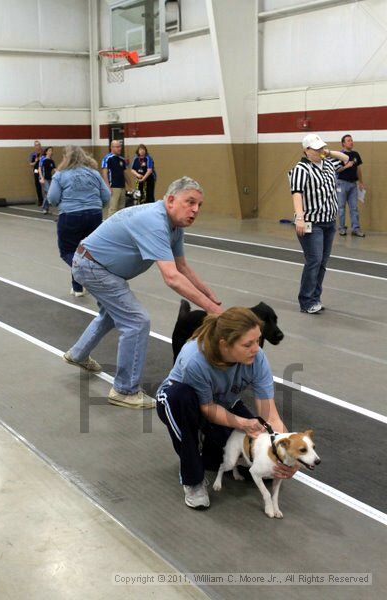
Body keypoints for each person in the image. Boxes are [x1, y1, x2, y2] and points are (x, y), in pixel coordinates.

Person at [63, 176, 222, 409]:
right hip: (92, 266)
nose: (195, 210)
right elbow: (171, 277)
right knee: (137, 321)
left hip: (99, 267)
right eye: (190, 202)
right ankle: (124, 390)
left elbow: (182, 267)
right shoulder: (154, 221)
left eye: (199, 205)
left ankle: (77, 354)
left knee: (111, 315)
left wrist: (210, 297)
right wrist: (213, 310)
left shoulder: (174, 226)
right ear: (170, 200)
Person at [156, 307, 297, 510]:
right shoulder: (195, 358)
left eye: (257, 341)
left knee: (246, 461)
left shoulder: (257, 358)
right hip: (183, 404)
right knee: (181, 400)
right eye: (248, 344)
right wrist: (243, 423)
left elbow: (269, 414)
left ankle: (209, 449)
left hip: (223, 405)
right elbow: (207, 408)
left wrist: (287, 454)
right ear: (225, 345)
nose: (256, 349)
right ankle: (193, 480)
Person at [289, 133, 349, 314]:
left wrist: (328, 152)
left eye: (321, 147)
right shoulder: (301, 168)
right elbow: (297, 193)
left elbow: (346, 158)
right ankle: (306, 301)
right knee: (313, 260)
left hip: (329, 222)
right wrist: (299, 217)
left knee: (322, 262)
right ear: (306, 151)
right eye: (316, 149)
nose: (320, 151)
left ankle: (315, 297)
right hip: (311, 223)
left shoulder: (328, 164)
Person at [47, 145, 110, 297]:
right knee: (86, 251)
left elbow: (52, 198)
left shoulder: (60, 175)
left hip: (71, 215)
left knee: (68, 251)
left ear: (65, 158)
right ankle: (77, 287)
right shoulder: (93, 173)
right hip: (94, 214)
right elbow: (106, 196)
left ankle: (88, 273)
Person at [337, 134, 366, 237]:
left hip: (353, 185)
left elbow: (358, 169)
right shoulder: (339, 155)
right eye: (348, 140)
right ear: (343, 143)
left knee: (354, 208)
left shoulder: (355, 154)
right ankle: (341, 228)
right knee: (341, 207)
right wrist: (346, 166)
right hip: (341, 184)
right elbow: (336, 170)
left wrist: (361, 182)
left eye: (351, 140)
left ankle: (356, 229)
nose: (351, 142)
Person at [101, 140, 130, 217]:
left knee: (121, 208)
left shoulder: (122, 160)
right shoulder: (107, 158)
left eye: (120, 147)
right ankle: (110, 227)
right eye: (117, 147)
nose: (119, 148)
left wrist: (130, 186)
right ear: (111, 148)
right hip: (113, 187)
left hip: (122, 186)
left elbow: (124, 173)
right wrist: (107, 187)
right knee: (113, 208)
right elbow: (104, 173)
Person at [39, 147, 56, 214]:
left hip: (50, 178)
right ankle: (44, 207)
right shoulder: (43, 159)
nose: (50, 152)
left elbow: (55, 169)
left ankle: (46, 209)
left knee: (47, 194)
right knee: (49, 192)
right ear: (46, 152)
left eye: (51, 151)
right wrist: (41, 178)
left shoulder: (52, 161)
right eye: (49, 150)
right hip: (44, 178)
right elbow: (40, 169)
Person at [28, 140, 44, 206]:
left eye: (39, 145)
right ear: (34, 146)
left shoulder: (44, 153)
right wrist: (35, 161)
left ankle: (48, 200)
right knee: (38, 186)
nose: (38, 146)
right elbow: (31, 164)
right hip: (36, 171)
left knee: (46, 186)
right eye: (36, 145)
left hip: (44, 171)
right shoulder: (32, 154)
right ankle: (40, 200)